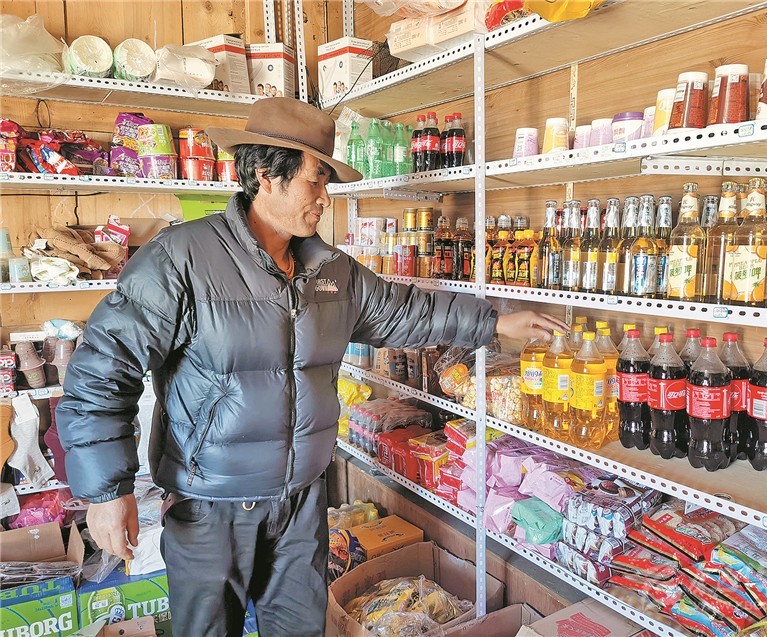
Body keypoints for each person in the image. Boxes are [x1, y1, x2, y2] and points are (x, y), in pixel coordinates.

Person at [56, 97, 566, 637]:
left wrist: (494, 322)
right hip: (210, 506)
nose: (325, 197)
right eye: (315, 180)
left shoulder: (330, 270)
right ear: (264, 176)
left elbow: (404, 311)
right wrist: (106, 492)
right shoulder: (181, 258)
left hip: (301, 503)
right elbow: (102, 371)